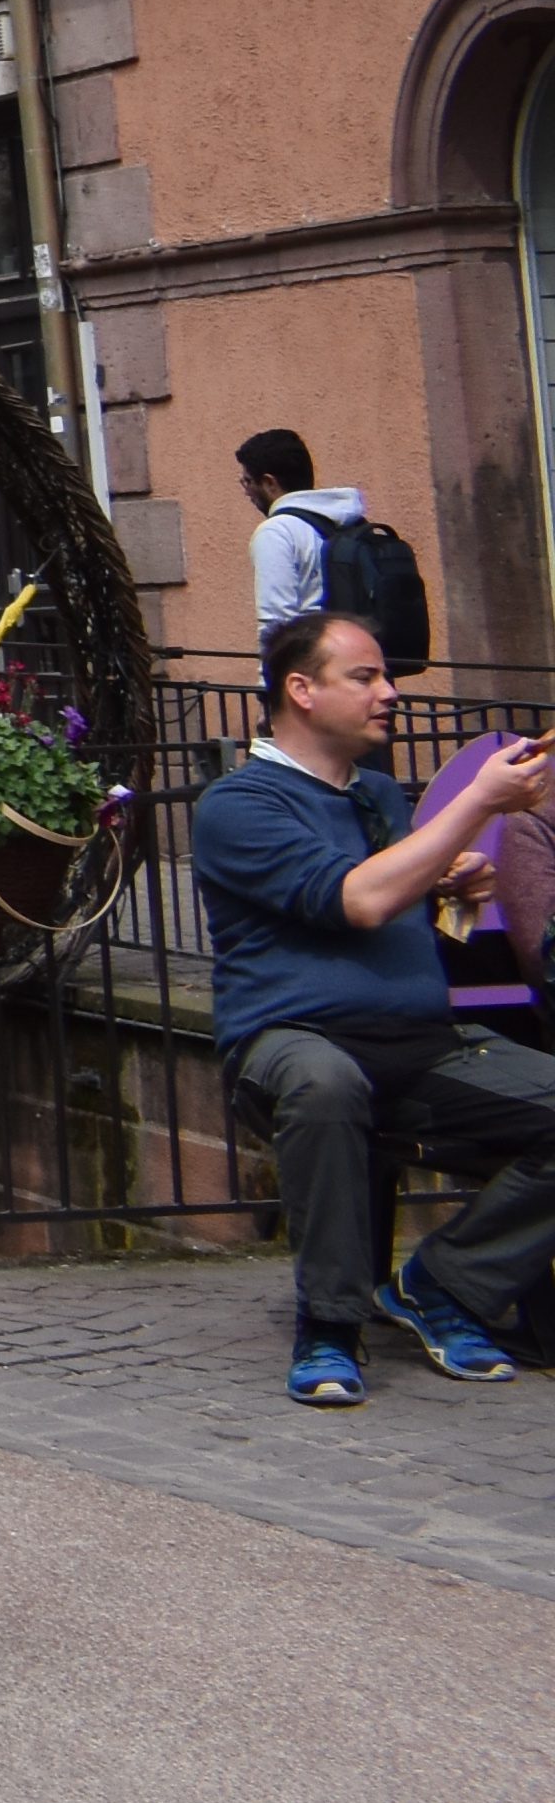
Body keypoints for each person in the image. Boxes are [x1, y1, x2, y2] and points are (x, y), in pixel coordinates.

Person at [192, 609, 555, 1405]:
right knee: (327, 1084)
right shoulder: (238, 805)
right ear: (302, 690)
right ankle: (328, 1325)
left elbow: (395, 900)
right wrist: (478, 807)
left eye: (385, 676)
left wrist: (446, 886)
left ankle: (442, 1285)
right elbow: (354, 900)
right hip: (293, 1041)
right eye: (365, 677)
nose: (390, 692)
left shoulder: (379, 795)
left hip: (419, 1042)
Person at [238, 431, 430, 678]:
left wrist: (270, 692)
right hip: (370, 677)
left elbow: (276, 621)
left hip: (320, 679)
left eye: (247, 482)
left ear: (269, 482)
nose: (246, 492)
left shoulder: (277, 531)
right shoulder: (349, 520)